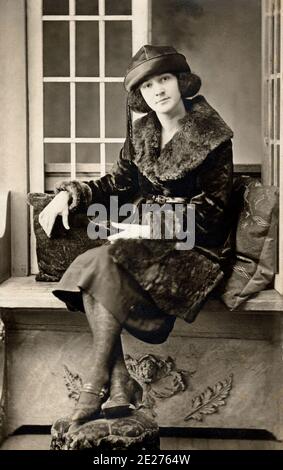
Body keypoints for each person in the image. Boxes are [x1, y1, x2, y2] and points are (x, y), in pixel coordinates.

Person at [39, 45, 234, 428]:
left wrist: (152, 226)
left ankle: (97, 386)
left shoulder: (213, 137)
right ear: (140, 95)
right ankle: (117, 384)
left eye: (164, 79)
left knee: (101, 263)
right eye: (147, 86)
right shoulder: (142, 129)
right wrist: (70, 193)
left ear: (181, 82)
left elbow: (214, 213)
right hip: (141, 243)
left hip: (194, 249)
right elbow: (120, 182)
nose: (158, 90)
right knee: (94, 265)